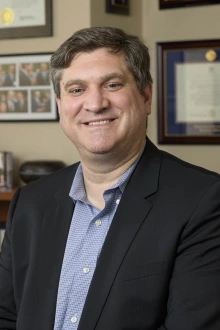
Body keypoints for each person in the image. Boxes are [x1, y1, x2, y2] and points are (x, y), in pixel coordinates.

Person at [0, 27, 220, 330]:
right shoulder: (31, 202)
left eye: (112, 84)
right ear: (60, 106)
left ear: (145, 96)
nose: (95, 103)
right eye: (76, 90)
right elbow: (6, 317)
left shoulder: (204, 201)